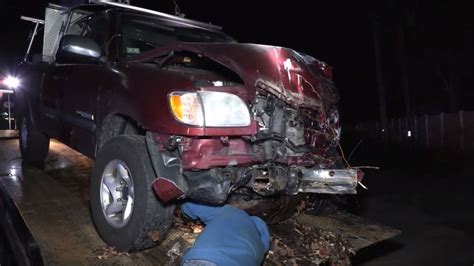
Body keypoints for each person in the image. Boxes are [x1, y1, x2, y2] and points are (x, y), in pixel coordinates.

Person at [181, 202, 271, 266]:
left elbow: (189, 205)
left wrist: (186, 214)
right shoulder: (261, 248)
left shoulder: (229, 211)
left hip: (209, 258)